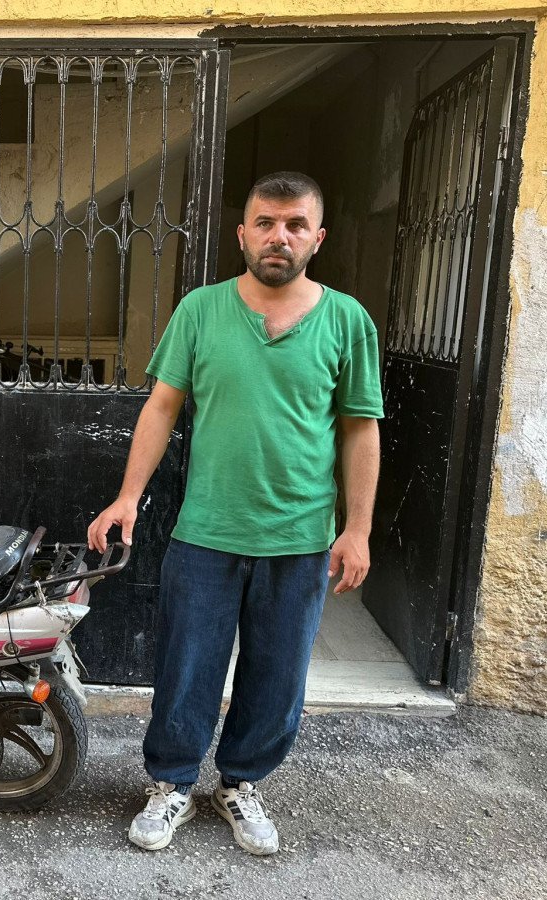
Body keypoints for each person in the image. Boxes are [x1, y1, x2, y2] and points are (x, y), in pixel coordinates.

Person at [87, 171, 383, 856]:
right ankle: (171, 784)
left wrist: (358, 529)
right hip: (207, 531)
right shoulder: (200, 310)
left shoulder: (347, 321)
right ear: (243, 233)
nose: (280, 236)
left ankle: (241, 783)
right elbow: (162, 406)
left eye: (295, 224)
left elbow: (359, 429)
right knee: (186, 667)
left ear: (317, 238)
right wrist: (128, 496)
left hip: (299, 537)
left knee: (277, 677)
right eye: (266, 223)